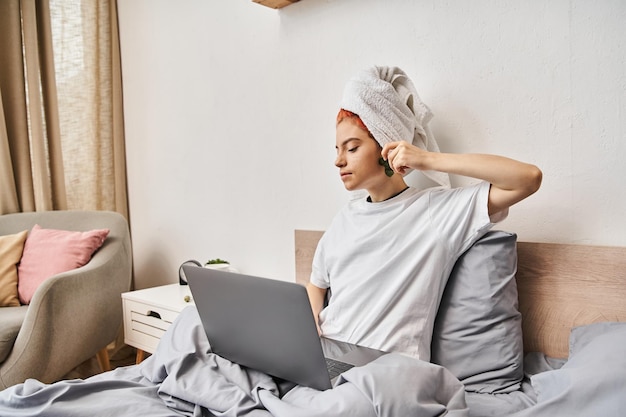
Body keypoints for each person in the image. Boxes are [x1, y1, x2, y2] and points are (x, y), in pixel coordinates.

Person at [306, 66, 542, 361]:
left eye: (351, 148)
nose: (338, 161)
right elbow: (316, 286)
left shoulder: (436, 212)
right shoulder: (344, 219)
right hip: (325, 359)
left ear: (387, 147)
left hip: (386, 373)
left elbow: (528, 178)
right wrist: (310, 328)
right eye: (337, 149)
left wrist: (427, 159)